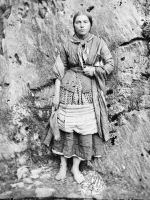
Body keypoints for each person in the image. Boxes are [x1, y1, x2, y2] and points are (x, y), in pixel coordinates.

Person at [44, 11, 114, 184]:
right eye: (78, 22)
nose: (82, 25)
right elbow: (60, 71)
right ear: (73, 24)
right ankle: (62, 165)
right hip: (67, 92)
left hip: (89, 93)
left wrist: (95, 70)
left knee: (84, 129)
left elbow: (110, 64)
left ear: (90, 24)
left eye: (85, 22)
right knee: (65, 128)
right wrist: (56, 95)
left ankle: (75, 167)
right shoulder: (67, 44)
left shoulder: (98, 43)